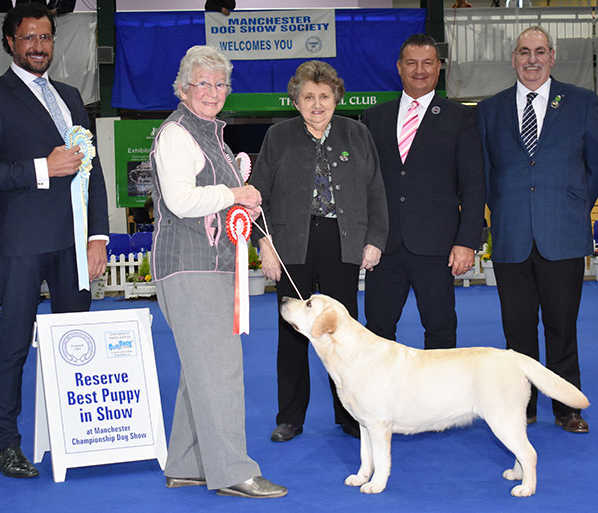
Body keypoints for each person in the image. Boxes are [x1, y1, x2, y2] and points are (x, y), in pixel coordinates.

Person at [150, 45, 286, 498]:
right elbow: (181, 201)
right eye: (203, 83)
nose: (212, 91)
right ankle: (233, 471)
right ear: (183, 88)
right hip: (189, 266)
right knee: (221, 369)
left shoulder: (212, 134)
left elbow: (239, 204)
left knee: (200, 368)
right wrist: (234, 192)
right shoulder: (176, 133)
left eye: (220, 83)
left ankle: (186, 464)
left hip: (210, 265)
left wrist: (252, 220)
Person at [249, 60, 388, 442]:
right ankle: (290, 417)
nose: (317, 104)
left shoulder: (357, 134)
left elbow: (376, 190)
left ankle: (349, 415)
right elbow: (257, 195)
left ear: (335, 98)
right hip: (290, 246)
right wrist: (264, 242)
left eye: (324, 96)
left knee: (344, 335)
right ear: (295, 101)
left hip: (342, 243)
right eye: (308, 96)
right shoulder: (278, 137)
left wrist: (375, 239)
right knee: (292, 334)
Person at [0, 2, 108, 478]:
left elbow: (93, 169)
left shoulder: (70, 95)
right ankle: (6, 443)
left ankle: (73, 433)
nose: (38, 46)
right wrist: (44, 168)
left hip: (75, 247)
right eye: (28, 38)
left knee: (74, 343)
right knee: (13, 347)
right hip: (19, 244)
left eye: (45, 38)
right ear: (10, 43)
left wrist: (99, 235)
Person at [477, 26, 598, 432]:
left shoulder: (583, 103)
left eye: (540, 51)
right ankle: (522, 406)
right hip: (511, 235)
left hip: (562, 233)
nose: (532, 59)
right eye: (524, 51)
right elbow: (485, 174)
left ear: (552, 56)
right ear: (513, 58)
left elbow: (594, 167)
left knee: (562, 327)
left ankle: (567, 408)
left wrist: (577, 207)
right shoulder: (489, 110)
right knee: (518, 329)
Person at [362, 33, 485, 350]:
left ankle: (441, 401)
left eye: (427, 63)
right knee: (376, 332)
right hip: (384, 247)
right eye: (412, 63)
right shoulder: (373, 118)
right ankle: (381, 400)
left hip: (438, 248)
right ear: (399, 67)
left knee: (441, 328)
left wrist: (467, 242)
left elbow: (473, 185)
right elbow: (363, 182)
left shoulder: (461, 118)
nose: (420, 70)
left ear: (439, 67)